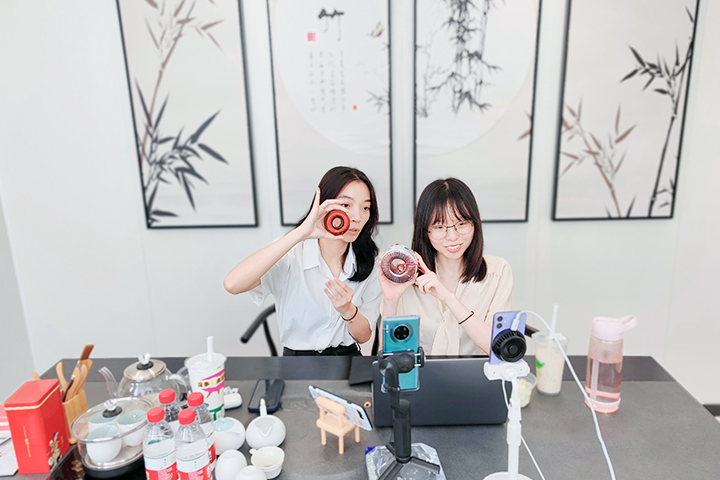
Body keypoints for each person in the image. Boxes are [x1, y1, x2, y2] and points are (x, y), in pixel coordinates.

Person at [224, 166, 382, 356]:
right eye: (346, 205)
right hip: (297, 360)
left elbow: (363, 337)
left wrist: (348, 310)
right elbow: (232, 284)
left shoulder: (371, 261)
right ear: (323, 205)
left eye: (365, 208)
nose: (357, 217)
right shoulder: (292, 253)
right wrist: (301, 233)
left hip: (347, 358)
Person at [379, 178, 513, 355]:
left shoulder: (498, 271)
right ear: (425, 230)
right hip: (422, 372)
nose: (452, 237)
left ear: (475, 224)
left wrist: (448, 298)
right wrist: (391, 300)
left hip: (477, 371)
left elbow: (500, 349)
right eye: (439, 226)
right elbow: (388, 353)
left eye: (461, 224)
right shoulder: (407, 278)